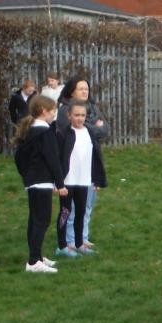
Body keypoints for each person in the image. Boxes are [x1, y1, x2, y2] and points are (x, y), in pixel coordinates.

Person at [13, 94, 66, 273]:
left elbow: (18, 158)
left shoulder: (30, 131)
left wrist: (26, 175)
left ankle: (37, 256)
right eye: (53, 112)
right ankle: (34, 262)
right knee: (42, 221)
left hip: (32, 182)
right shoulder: (45, 132)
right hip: (41, 182)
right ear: (43, 111)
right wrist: (60, 184)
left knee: (34, 220)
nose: (54, 115)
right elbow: (53, 160)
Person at [58, 78, 109, 247]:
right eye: (81, 88)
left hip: (89, 168)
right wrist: (95, 126)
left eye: (86, 88)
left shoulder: (93, 107)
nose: (85, 92)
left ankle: (82, 238)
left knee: (86, 207)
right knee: (70, 209)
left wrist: (96, 127)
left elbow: (104, 130)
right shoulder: (65, 110)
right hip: (71, 173)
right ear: (72, 91)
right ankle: (69, 240)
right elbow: (82, 128)